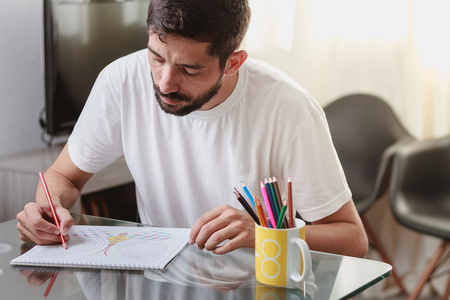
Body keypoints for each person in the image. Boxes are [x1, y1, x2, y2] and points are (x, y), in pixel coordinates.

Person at [17, 0, 368, 257]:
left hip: (257, 286)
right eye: (156, 58)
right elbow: (63, 177)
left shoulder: (289, 109)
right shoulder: (119, 82)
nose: (165, 83)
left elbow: (353, 239)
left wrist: (264, 235)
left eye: (189, 70)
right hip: (161, 278)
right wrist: (47, 211)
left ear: (233, 62)